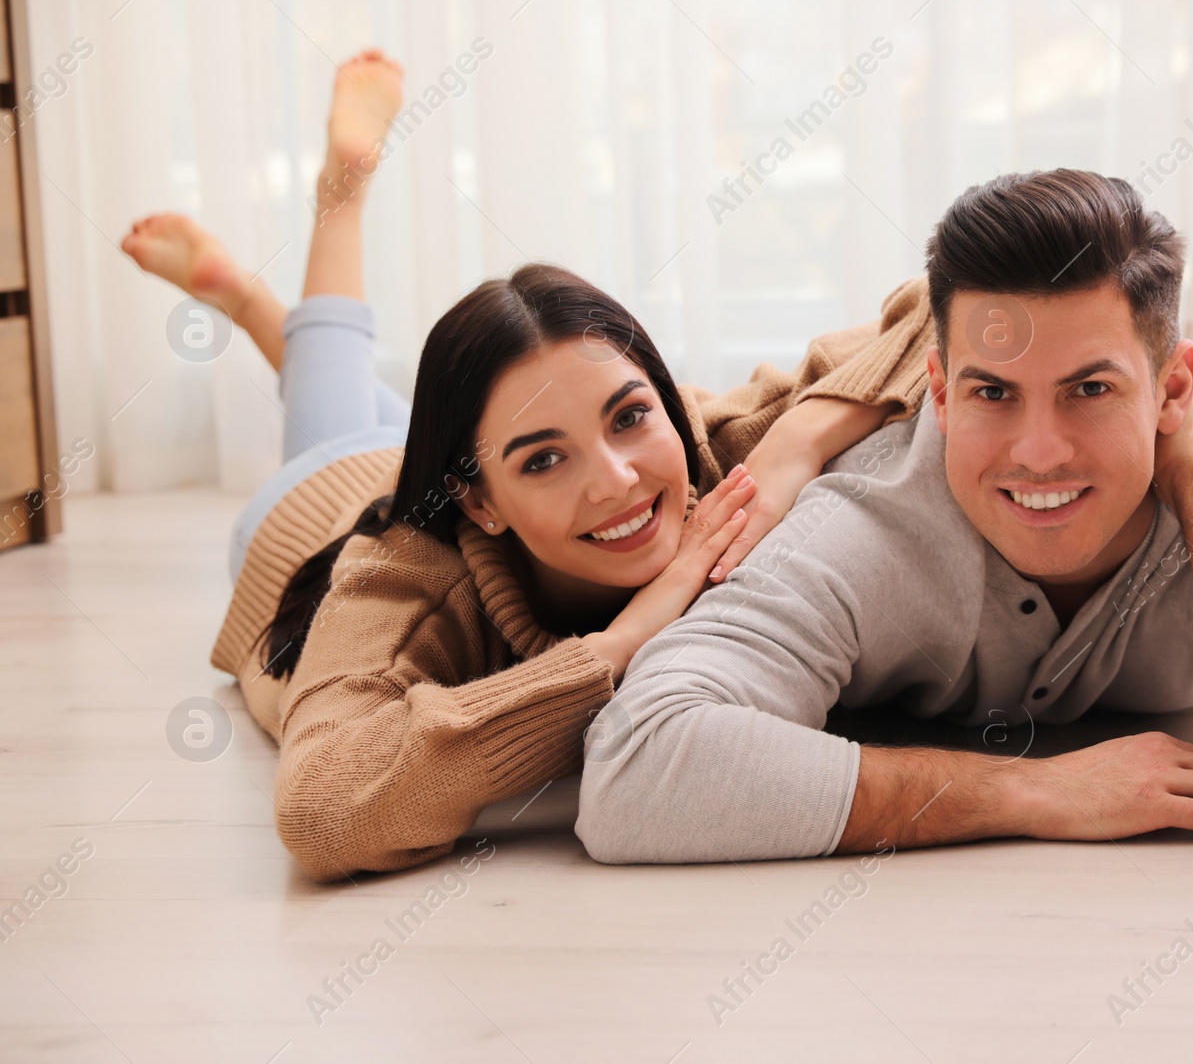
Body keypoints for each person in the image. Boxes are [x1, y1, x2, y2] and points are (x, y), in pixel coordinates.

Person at [121, 51, 929, 882]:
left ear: (660, 389)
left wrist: (796, 443)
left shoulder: (705, 449)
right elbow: (325, 816)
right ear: (480, 504)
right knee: (334, 424)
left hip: (446, 460)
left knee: (374, 403)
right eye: (546, 459)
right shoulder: (401, 582)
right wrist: (617, 645)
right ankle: (336, 206)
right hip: (312, 508)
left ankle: (264, 316)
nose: (617, 478)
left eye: (629, 414)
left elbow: (958, 302)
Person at [576, 168, 1193, 863]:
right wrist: (1025, 795)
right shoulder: (863, 520)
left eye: (1090, 388)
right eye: (993, 393)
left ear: (1174, 387)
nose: (1039, 451)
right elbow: (634, 773)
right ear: (938, 390)